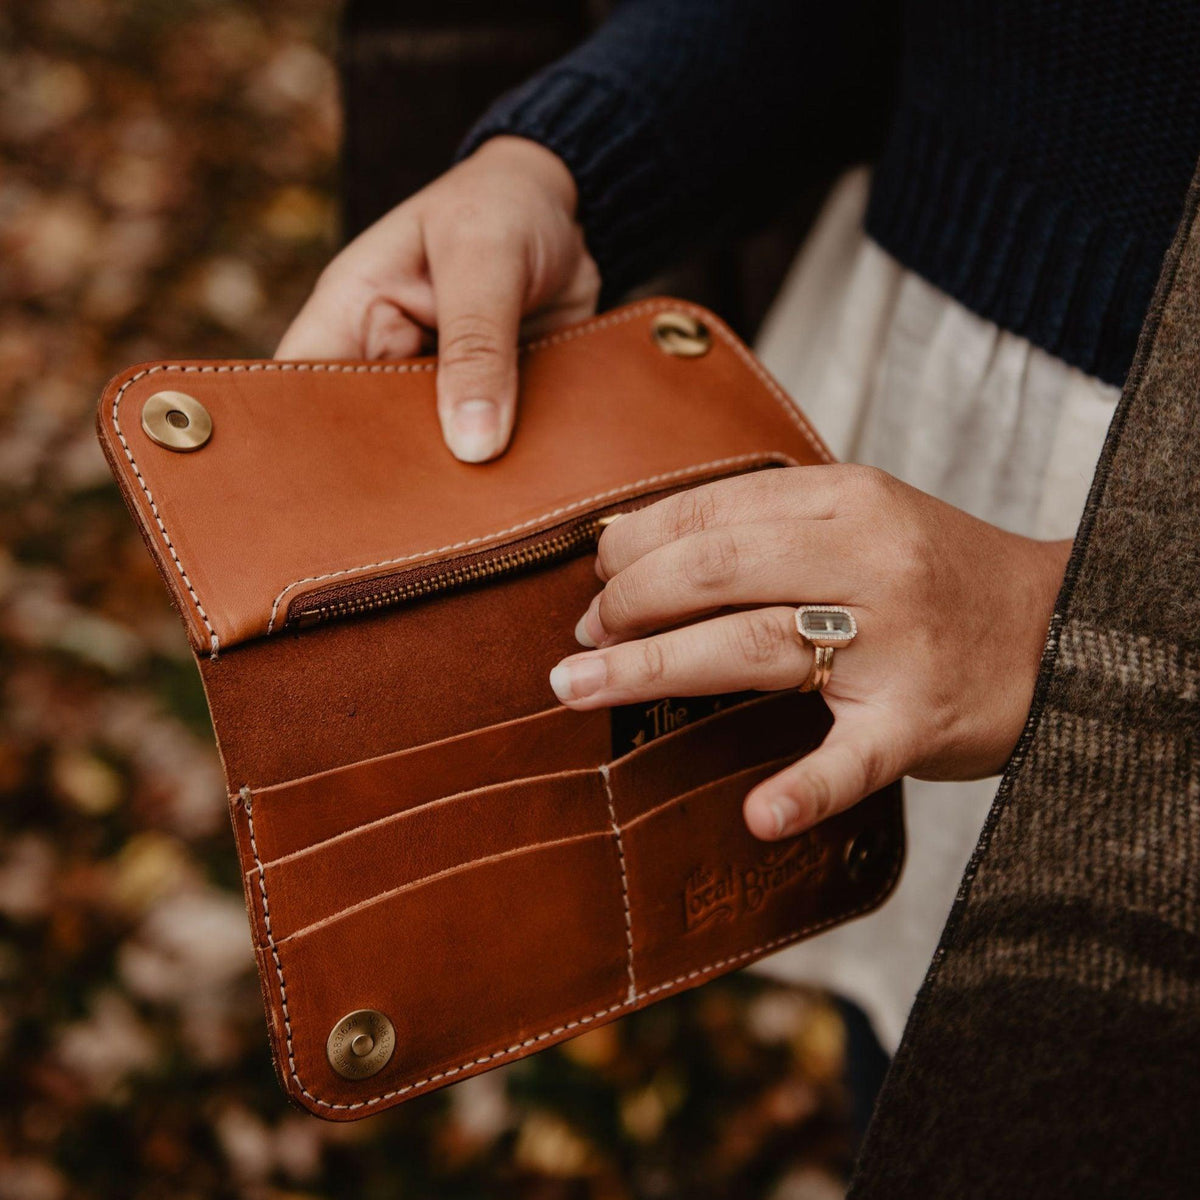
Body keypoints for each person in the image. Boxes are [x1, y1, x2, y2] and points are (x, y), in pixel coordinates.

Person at [278, 1, 1200, 1065]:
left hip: (1134, 530)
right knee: (925, 1057)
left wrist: (1093, 623)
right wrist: (561, 166)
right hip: (919, 410)